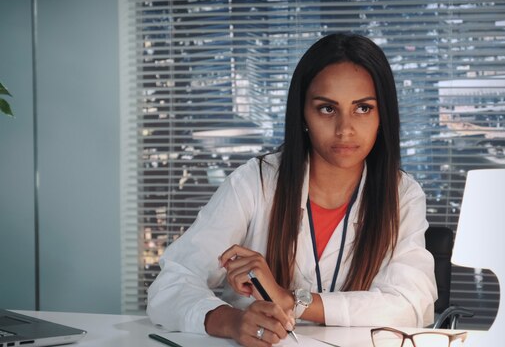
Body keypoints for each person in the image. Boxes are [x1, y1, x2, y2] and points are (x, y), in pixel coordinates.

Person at [147, 33, 437, 347]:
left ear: (383, 117)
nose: (345, 129)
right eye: (327, 109)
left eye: (363, 109)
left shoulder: (402, 194)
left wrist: (294, 301)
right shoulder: (255, 182)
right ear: (303, 115)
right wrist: (232, 322)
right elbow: (171, 284)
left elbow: (411, 305)